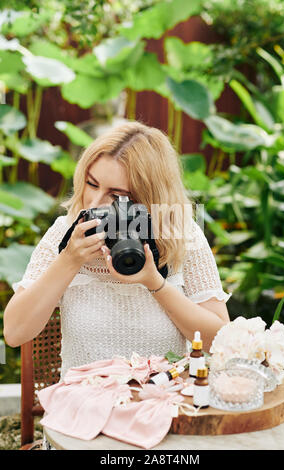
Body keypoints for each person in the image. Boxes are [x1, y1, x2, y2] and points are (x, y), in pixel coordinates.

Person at [4, 121, 231, 381]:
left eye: (116, 195)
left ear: (149, 198)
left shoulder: (181, 235)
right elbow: (14, 332)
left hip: (160, 403)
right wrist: (69, 260)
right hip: (83, 407)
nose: (95, 202)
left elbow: (221, 343)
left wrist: (155, 283)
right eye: (91, 184)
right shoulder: (66, 232)